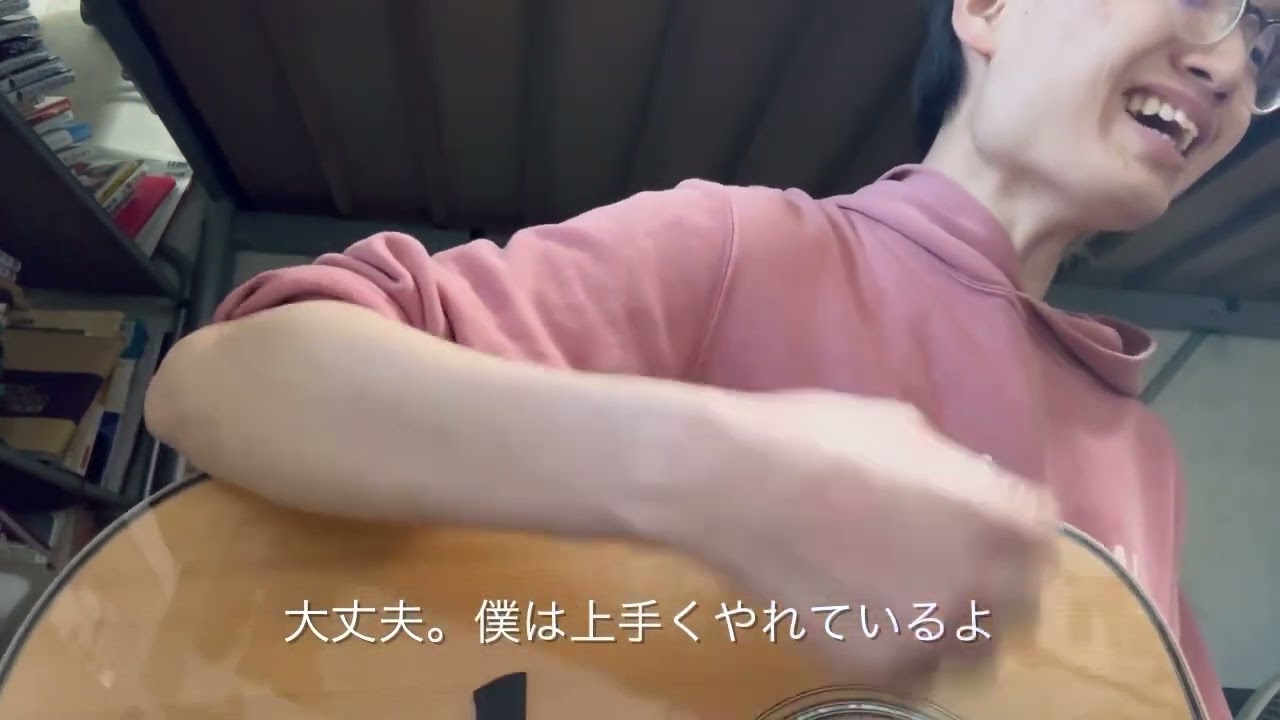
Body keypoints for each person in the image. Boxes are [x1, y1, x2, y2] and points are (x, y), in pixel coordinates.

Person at [145, 1, 1276, 717]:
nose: (1232, 65)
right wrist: (700, 470)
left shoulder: (1139, 452)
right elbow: (227, 380)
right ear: (986, 6)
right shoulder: (743, 243)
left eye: (1267, 43)